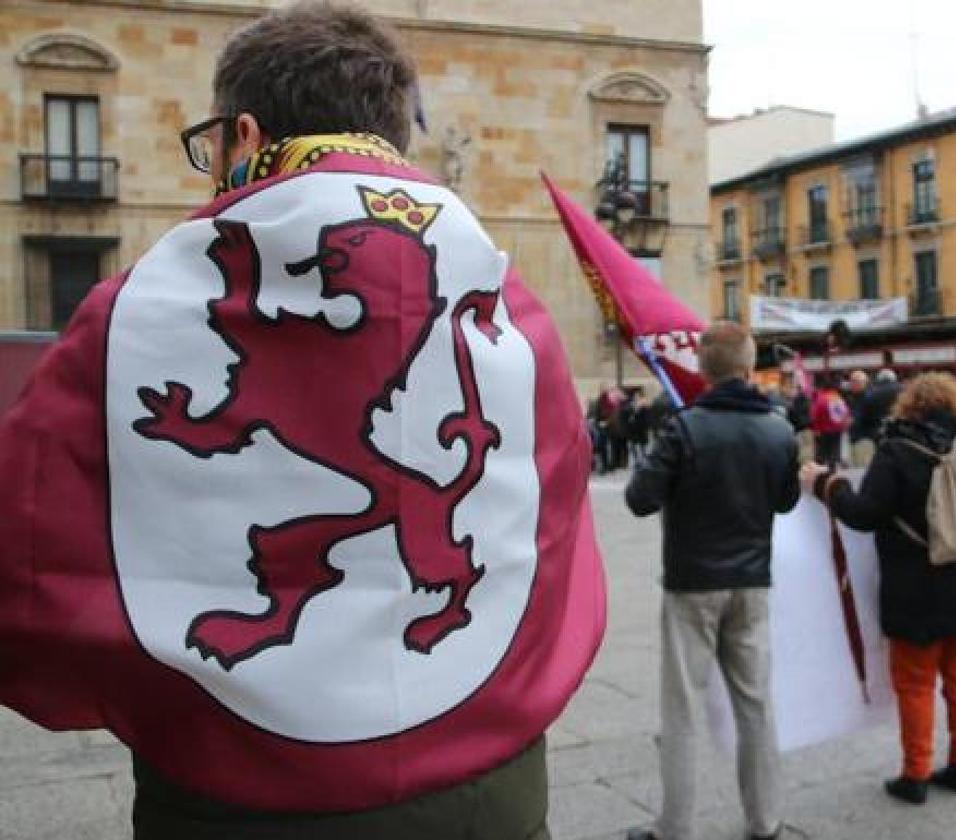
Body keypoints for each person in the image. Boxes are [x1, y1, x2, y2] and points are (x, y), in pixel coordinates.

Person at [0, 4, 605, 838]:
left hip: (239, 799)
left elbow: (29, 534)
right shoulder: (513, 316)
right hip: (486, 800)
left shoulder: (138, 311)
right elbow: (556, 524)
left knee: (299, 544)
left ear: (242, 136)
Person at [624, 320, 799, 840]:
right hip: (752, 582)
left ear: (701, 369)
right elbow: (786, 500)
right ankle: (765, 822)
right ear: (749, 368)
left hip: (693, 581)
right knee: (756, 705)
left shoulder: (683, 427)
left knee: (681, 707)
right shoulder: (779, 429)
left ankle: (675, 827)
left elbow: (639, 498)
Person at [801, 373, 956, 805]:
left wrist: (825, 484)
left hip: (919, 586)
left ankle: (915, 774)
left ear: (908, 406)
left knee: (915, 684)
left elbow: (865, 513)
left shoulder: (897, 450)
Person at [854, 368, 902, 447]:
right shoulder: (904, 390)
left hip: (877, 432)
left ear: (879, 380)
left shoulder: (871, 394)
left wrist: (857, 436)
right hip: (899, 431)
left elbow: (862, 416)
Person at [810, 376, 852, 467]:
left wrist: (816, 429)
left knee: (821, 455)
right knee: (834, 453)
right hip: (837, 430)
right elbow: (845, 412)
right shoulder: (838, 398)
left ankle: (819, 474)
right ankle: (832, 471)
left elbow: (815, 414)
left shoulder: (820, 399)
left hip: (823, 430)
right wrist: (843, 426)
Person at [845, 369, 874, 467]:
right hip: (854, 438)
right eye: (851, 381)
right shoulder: (853, 397)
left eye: (854, 381)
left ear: (863, 382)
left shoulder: (868, 397)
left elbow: (865, 417)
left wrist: (852, 421)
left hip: (864, 439)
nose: (851, 384)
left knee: (862, 468)